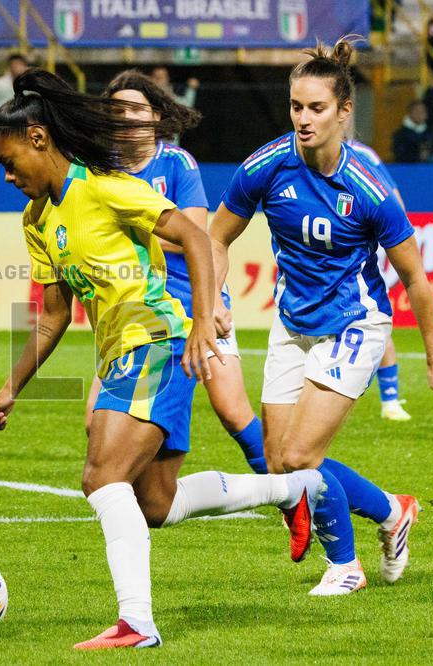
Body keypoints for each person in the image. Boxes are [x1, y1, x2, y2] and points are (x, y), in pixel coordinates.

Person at [0, 69, 325, 650]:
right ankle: (291, 490)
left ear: (39, 138)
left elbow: (196, 235)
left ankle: (136, 623)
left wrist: (201, 322)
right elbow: (53, 316)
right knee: (156, 504)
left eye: (10, 161)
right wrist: (10, 387)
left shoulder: (105, 186)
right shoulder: (37, 220)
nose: (8, 176)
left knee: (100, 477)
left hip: (156, 340)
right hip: (120, 354)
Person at [210, 38, 433, 596]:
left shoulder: (370, 190)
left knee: (302, 456)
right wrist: (212, 299)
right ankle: (393, 511)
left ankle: (345, 567)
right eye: (297, 107)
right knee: (279, 465)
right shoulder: (265, 166)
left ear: (343, 112)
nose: (304, 120)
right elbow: (215, 235)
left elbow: (416, 279)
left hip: (354, 324)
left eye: (317, 108)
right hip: (292, 322)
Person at [76, 69, 266, 475]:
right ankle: (143, 500)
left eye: (135, 109)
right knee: (95, 419)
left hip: (190, 295)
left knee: (232, 412)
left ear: (156, 117)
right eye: (117, 110)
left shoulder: (177, 164)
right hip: (137, 309)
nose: (126, 118)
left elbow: (194, 237)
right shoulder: (99, 171)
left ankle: (291, 494)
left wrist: (212, 301)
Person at [345, 134, 416, 421]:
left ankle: (389, 400)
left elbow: (393, 202)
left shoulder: (363, 155)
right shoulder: (299, 154)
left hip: (360, 258)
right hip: (323, 264)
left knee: (375, 320)